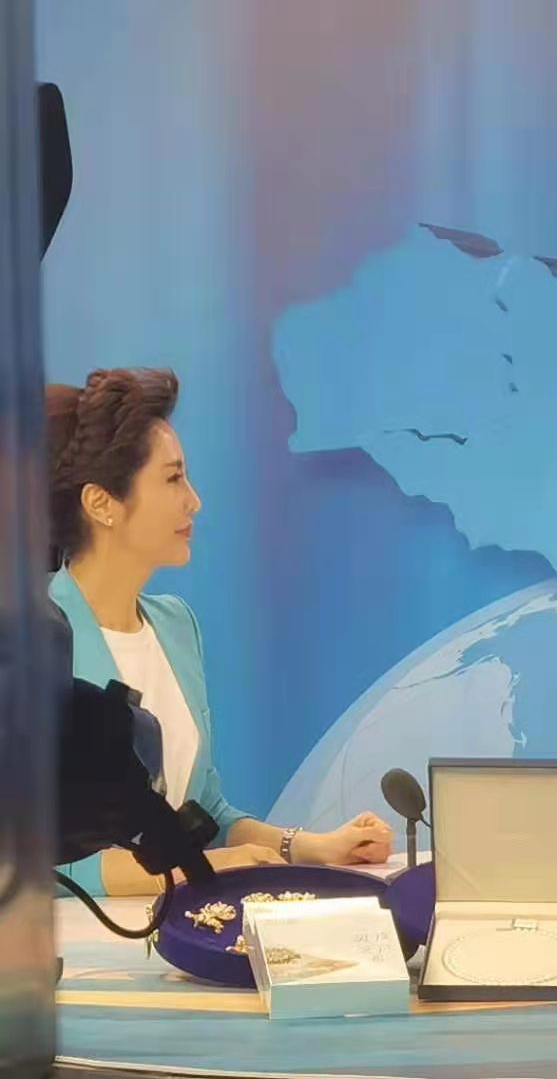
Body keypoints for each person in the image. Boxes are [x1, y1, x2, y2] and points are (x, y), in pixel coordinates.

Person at [47, 367, 393, 896]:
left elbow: (204, 812)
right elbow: (34, 861)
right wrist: (202, 869)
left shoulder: (175, 624)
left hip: (177, 930)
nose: (194, 500)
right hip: (71, 941)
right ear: (102, 504)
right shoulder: (30, 638)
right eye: (172, 479)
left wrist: (307, 847)